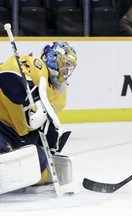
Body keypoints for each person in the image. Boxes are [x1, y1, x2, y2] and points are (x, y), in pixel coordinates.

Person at [0, 40, 77, 190]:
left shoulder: (60, 94)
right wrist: (32, 96)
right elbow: (6, 75)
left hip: (18, 135)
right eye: (64, 64)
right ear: (52, 59)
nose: (66, 70)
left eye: (69, 67)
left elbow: (40, 123)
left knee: (40, 164)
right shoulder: (35, 65)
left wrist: (52, 137)